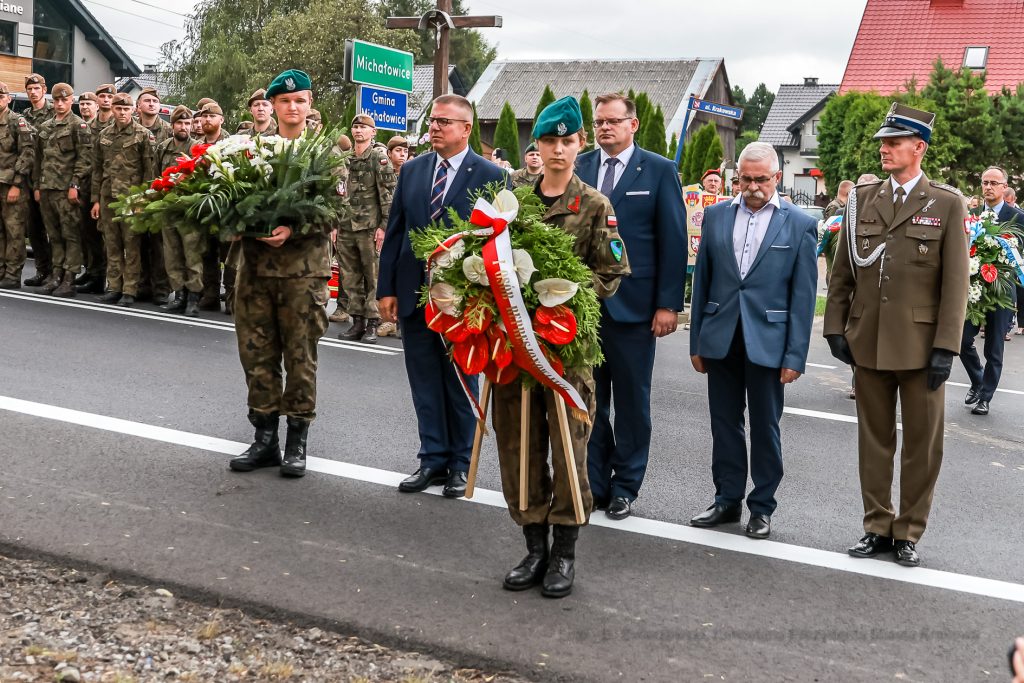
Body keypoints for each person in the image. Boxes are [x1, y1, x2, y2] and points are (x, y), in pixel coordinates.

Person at [494, 96, 630, 597]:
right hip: (515, 348)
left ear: (580, 145)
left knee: (567, 448)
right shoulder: (516, 203)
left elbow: (612, 273)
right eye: (548, 141)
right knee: (519, 444)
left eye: (566, 141)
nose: (556, 150)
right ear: (538, 146)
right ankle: (534, 549)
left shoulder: (595, 204)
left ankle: (565, 555)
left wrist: (562, 295)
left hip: (567, 353)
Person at [825, 103, 969, 568]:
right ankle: (876, 524)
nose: (884, 149)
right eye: (883, 143)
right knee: (874, 441)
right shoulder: (861, 201)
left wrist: (947, 346)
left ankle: (908, 531)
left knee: (922, 446)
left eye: (893, 142)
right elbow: (844, 271)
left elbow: (955, 284)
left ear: (918, 148)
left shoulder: (946, 203)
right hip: (868, 339)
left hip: (922, 347)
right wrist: (835, 327)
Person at [378, 94, 508, 497]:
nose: (434, 128)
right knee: (424, 381)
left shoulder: (490, 175)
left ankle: (460, 463)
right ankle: (432, 458)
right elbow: (396, 230)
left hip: (462, 300)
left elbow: (497, 243)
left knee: (461, 381)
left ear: (466, 129)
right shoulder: (413, 170)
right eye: (432, 121)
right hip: (414, 294)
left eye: (444, 122)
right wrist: (387, 289)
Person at [688, 141, 818, 540]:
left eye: (761, 179)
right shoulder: (715, 215)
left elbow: (804, 297)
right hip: (721, 338)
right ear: (736, 177)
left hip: (769, 342)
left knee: (765, 427)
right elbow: (703, 281)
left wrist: (795, 355)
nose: (753, 186)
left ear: (777, 178)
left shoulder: (799, 223)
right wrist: (696, 342)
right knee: (724, 424)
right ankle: (727, 500)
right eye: (745, 178)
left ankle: (761, 507)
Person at [576, 92, 687, 519]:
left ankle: (626, 486)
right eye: (599, 121)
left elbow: (673, 242)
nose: (605, 128)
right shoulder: (581, 166)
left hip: (635, 307)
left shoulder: (659, 170)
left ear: (633, 124)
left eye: (613, 121)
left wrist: (667, 305)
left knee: (633, 402)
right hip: (582, 305)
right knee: (589, 400)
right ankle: (596, 483)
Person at [228, 69, 334, 479]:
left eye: (300, 100)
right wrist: (231, 225)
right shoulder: (246, 150)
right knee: (256, 355)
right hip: (253, 270)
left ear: (309, 105)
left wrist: (295, 229)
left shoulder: (325, 152)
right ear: (271, 105)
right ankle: (264, 438)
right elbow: (226, 200)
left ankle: (296, 441)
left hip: (302, 275)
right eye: (285, 101)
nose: (293, 107)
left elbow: (333, 210)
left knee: (300, 358)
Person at [959, 166, 1024, 416]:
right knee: (962, 340)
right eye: (985, 182)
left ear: (1003, 186)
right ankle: (978, 380)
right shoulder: (971, 214)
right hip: (974, 290)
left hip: (1003, 292)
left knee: (994, 348)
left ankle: (985, 397)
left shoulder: (1017, 217)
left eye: (993, 183)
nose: (987, 187)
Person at [91, 93, 156, 308]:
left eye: (126, 109)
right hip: (108, 197)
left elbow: (149, 172)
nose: (122, 113)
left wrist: (143, 199)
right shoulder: (104, 135)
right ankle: (114, 288)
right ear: (113, 110)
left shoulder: (143, 135)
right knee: (112, 245)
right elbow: (97, 170)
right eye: (118, 109)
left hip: (132, 199)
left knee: (132, 246)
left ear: (133, 111)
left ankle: (130, 290)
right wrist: (96, 200)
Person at [336, 114, 395, 344]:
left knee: (373, 277)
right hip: (346, 226)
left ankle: (373, 323)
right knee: (350, 276)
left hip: (370, 228)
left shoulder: (379, 160)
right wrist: (335, 225)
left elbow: (389, 197)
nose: (358, 130)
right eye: (356, 127)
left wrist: (383, 227)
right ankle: (357, 322)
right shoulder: (346, 160)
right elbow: (338, 194)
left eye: (364, 127)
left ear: (373, 133)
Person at [31, 83, 91, 298]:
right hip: (47, 189)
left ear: (71, 101)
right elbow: (38, 160)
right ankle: (56, 276)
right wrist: (37, 186)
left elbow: (85, 159)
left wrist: (75, 185)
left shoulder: (79, 126)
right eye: (56, 100)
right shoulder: (45, 127)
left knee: (71, 235)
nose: (60, 104)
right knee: (54, 235)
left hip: (67, 191)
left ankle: (69, 278)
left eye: (64, 100)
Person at [153, 106, 202, 317]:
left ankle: (193, 298)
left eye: (188, 123)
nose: (184, 127)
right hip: (168, 208)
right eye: (180, 123)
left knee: (192, 255)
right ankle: (179, 295)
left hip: (189, 210)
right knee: (171, 255)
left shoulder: (198, 148)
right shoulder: (163, 147)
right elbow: (155, 176)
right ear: (172, 125)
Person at [135, 87, 172, 303]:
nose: (151, 104)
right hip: (136, 191)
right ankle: (142, 284)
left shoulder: (168, 130)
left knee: (159, 243)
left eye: (155, 101)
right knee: (138, 240)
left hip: (160, 193)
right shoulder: (131, 129)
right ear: (138, 106)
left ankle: (161, 288)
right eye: (147, 100)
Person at [0, 82, 35, 290]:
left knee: (14, 231)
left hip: (11, 186)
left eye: (0, 95)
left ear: (8, 98)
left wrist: (17, 184)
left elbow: (27, 154)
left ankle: (13, 275)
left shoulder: (17, 122)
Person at [21, 73, 53, 288]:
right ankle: (42, 271)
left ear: (44, 89)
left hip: (50, 178)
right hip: (29, 178)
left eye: (36, 88)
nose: (33, 92)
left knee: (55, 228)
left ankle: (58, 273)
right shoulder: (24, 115)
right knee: (34, 228)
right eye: (29, 89)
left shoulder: (55, 112)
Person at [377, 136, 410, 340]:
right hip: (388, 230)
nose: (402, 155)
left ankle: (401, 325)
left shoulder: (412, 174)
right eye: (398, 151)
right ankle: (389, 321)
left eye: (405, 151)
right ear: (389, 154)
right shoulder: (384, 174)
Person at [197, 102, 229, 312]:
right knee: (207, 253)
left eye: (212, 116)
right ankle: (210, 295)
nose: (208, 120)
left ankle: (232, 296)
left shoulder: (232, 143)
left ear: (221, 120)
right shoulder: (196, 144)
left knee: (229, 254)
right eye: (204, 117)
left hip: (225, 207)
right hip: (203, 207)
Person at [74, 92, 105, 294]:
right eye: (82, 104)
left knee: (98, 235)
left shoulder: (107, 128)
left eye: (89, 104)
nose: (85, 107)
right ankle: (91, 270)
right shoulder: (82, 127)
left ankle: (99, 276)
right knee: (86, 233)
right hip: (83, 187)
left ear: (97, 106)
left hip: (100, 188)